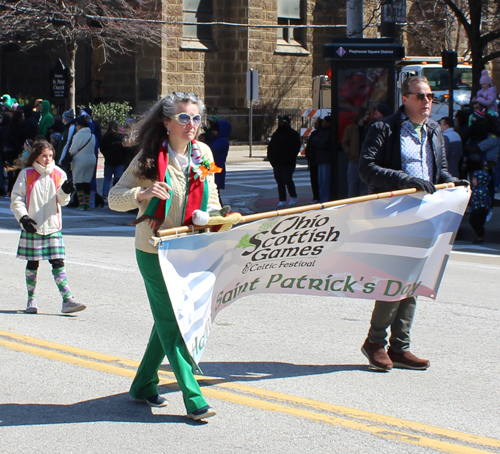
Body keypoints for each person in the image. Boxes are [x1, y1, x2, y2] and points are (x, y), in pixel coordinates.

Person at [108, 91, 220, 421]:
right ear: (167, 122)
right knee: (173, 322)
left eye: (196, 118)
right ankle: (193, 395)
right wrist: (141, 193)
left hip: (189, 249)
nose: (192, 125)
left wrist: (212, 215)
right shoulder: (147, 158)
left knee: (166, 320)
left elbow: (212, 196)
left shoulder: (204, 154)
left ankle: (143, 384)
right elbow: (114, 198)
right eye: (184, 118)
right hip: (153, 249)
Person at [358, 75, 468, 371]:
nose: (427, 102)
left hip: (426, 216)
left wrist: (452, 182)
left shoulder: (433, 131)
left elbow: (439, 172)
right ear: (404, 98)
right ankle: (375, 342)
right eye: (420, 96)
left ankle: (400, 347)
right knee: (396, 280)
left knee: (414, 280)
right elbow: (366, 169)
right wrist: (405, 179)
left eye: (430, 96)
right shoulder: (385, 128)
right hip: (394, 214)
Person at [10, 140, 85, 314]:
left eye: (50, 156)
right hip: (33, 226)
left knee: (58, 262)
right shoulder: (26, 174)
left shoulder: (59, 173)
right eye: (44, 156)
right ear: (36, 156)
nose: (47, 159)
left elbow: (62, 202)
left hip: (52, 226)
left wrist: (65, 191)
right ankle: (31, 299)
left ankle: (67, 300)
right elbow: (17, 199)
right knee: (32, 263)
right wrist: (23, 218)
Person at [267, 115, 301, 207]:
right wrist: (271, 158)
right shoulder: (276, 134)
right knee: (279, 181)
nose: (281, 123)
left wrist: (290, 158)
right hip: (277, 162)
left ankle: (293, 196)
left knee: (287, 179)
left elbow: (296, 148)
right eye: (280, 121)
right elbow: (271, 147)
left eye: (283, 121)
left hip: (288, 162)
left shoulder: (293, 134)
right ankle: (282, 199)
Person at [69, 117, 96, 211]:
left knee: (79, 182)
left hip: (80, 160)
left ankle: (81, 204)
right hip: (91, 160)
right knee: (87, 182)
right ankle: (87, 204)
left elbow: (73, 150)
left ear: (79, 126)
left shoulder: (78, 135)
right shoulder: (92, 136)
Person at [342, 107, 370, 197]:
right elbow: (344, 143)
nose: (368, 116)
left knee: (365, 186)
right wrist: (350, 152)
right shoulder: (351, 128)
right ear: (361, 115)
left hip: (365, 160)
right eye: (366, 114)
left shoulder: (368, 128)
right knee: (353, 185)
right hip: (354, 160)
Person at [100, 120, 128, 202]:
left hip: (109, 161)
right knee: (118, 179)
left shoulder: (105, 137)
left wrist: (106, 155)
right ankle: (116, 195)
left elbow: (102, 149)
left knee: (107, 179)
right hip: (120, 161)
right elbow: (125, 149)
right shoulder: (121, 137)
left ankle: (105, 195)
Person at [209, 118, 232, 204]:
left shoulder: (222, 140)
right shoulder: (217, 139)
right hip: (215, 167)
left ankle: (219, 208)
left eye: (216, 130)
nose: (214, 132)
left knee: (215, 191)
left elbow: (212, 150)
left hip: (217, 168)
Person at [310, 115, 333, 202]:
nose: (322, 123)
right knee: (321, 179)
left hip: (325, 158)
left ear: (328, 123)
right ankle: (321, 197)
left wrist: (317, 142)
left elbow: (322, 144)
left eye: (324, 121)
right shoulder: (321, 132)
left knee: (325, 179)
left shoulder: (328, 132)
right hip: (321, 158)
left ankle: (324, 198)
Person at [468, 170, 491, 244]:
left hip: (480, 210)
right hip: (475, 208)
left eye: (475, 179)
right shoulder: (475, 189)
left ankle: (480, 237)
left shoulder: (483, 190)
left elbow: (486, 201)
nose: (473, 181)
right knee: (472, 221)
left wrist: (482, 208)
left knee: (478, 223)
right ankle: (479, 236)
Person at [304, 118, 322, 203]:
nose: (315, 125)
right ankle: (315, 197)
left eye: (317, 123)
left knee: (320, 179)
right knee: (313, 179)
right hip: (312, 159)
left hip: (318, 160)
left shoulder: (321, 134)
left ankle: (319, 196)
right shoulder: (313, 134)